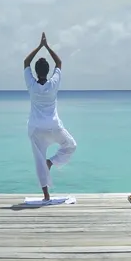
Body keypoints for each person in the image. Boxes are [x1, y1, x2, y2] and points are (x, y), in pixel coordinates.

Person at [23, 32, 76, 201]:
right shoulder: (53, 84)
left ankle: (46, 195)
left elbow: (26, 62)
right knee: (70, 146)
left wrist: (39, 47)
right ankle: (51, 162)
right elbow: (59, 63)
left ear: (36, 73)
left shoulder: (31, 85)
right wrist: (47, 46)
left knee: (38, 159)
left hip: (35, 128)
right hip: (53, 126)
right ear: (47, 72)